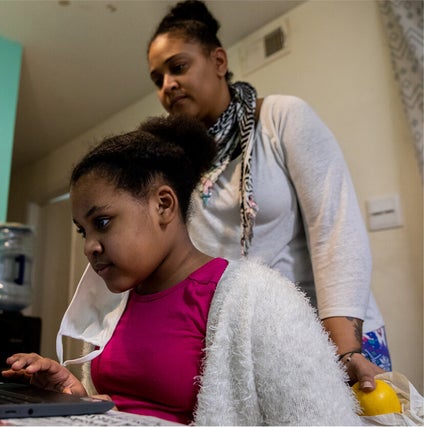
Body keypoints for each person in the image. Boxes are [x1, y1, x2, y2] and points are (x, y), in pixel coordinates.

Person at [4, 116, 358, 425]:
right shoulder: (118, 302)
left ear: (163, 205)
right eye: (84, 230)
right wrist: (75, 394)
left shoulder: (256, 299)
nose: (89, 246)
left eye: (103, 222)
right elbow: (124, 407)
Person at [145, 0, 389, 391]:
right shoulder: (181, 168)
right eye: (157, 79)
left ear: (219, 61)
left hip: (334, 339)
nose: (167, 85)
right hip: (253, 349)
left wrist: (344, 351)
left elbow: (334, 228)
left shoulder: (280, 119)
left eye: (178, 67)